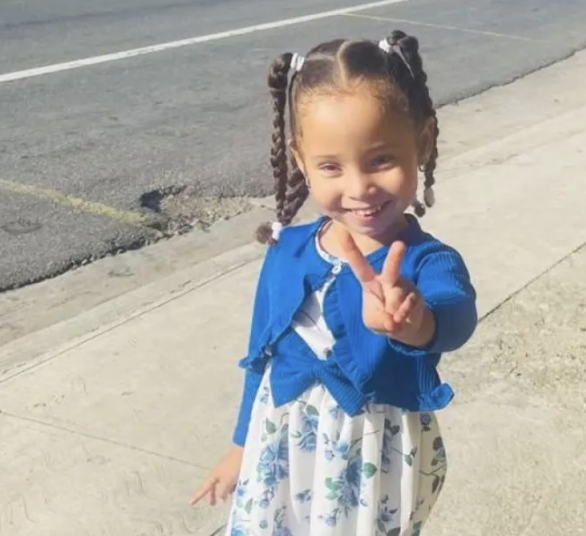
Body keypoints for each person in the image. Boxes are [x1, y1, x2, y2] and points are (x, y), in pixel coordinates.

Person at [191, 29, 478, 536]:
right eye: (331, 166)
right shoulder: (287, 250)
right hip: (280, 449)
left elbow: (455, 313)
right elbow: (260, 357)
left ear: (423, 141)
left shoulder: (424, 261)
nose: (359, 187)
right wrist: (240, 446)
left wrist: (416, 323)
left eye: (381, 159)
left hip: (371, 458)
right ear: (301, 160)